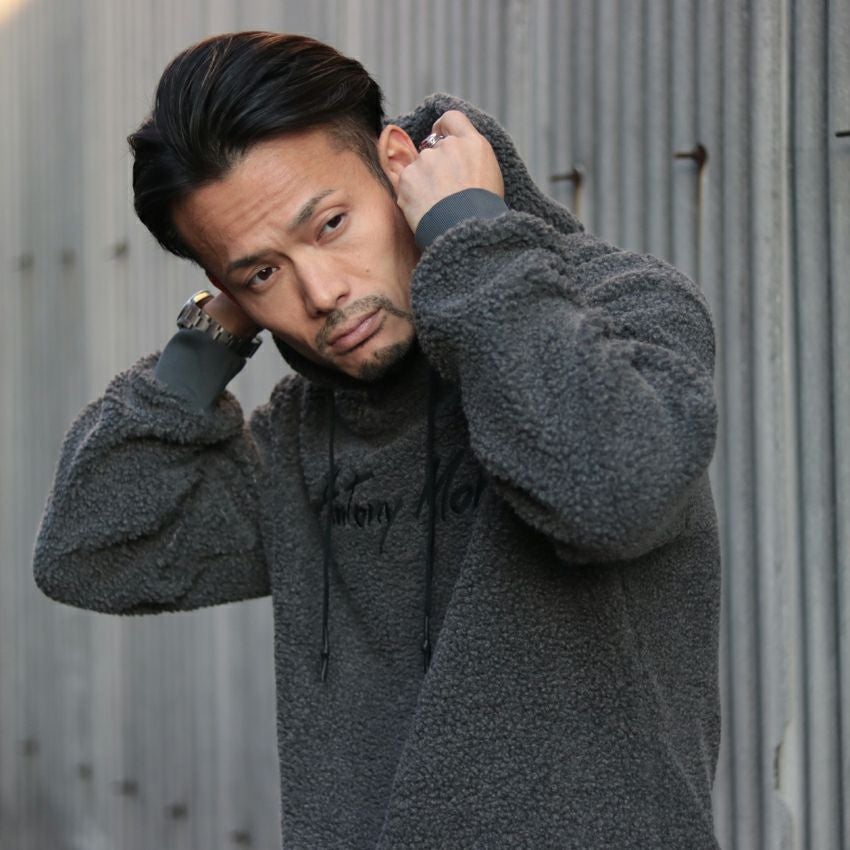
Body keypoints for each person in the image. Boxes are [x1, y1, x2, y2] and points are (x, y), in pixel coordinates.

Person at [34, 31, 722, 849]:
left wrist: (468, 237)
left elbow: (613, 497)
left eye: (330, 224)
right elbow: (91, 551)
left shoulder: (621, 310)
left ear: (398, 164)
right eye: (263, 272)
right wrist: (207, 340)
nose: (323, 292)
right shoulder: (303, 437)